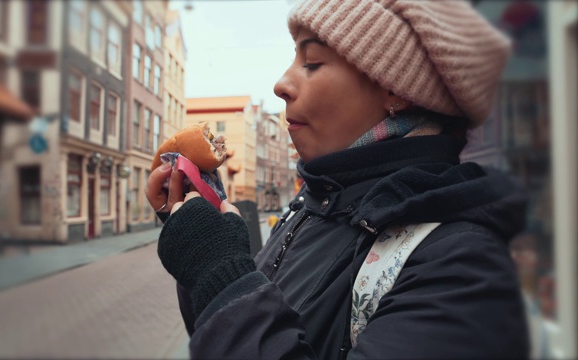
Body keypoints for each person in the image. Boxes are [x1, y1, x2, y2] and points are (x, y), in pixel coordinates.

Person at [145, 0, 530, 358]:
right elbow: (221, 336)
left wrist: (219, 272)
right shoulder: (316, 204)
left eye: (311, 62)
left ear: (395, 87)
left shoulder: (463, 269)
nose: (281, 84)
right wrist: (202, 245)